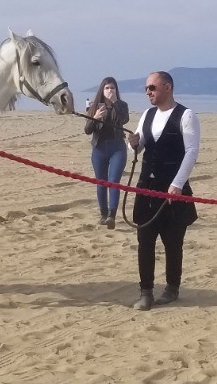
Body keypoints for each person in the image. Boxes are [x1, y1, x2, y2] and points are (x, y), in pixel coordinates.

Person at [129, 71, 199, 311]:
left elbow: (191, 151)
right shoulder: (147, 115)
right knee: (144, 240)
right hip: (146, 188)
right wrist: (133, 145)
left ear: (167, 87)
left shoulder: (186, 115)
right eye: (146, 88)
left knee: (173, 242)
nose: (148, 92)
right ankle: (145, 291)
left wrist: (178, 184)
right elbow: (140, 148)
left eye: (152, 87)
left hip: (173, 190)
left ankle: (172, 288)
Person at [84, 77, 131, 228]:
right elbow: (87, 130)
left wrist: (115, 103)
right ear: (102, 90)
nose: (110, 91)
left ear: (116, 90)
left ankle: (112, 215)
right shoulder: (95, 107)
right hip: (99, 148)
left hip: (117, 147)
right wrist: (95, 117)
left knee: (114, 182)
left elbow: (123, 120)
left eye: (112, 88)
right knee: (101, 183)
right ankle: (103, 214)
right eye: (107, 88)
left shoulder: (122, 105)